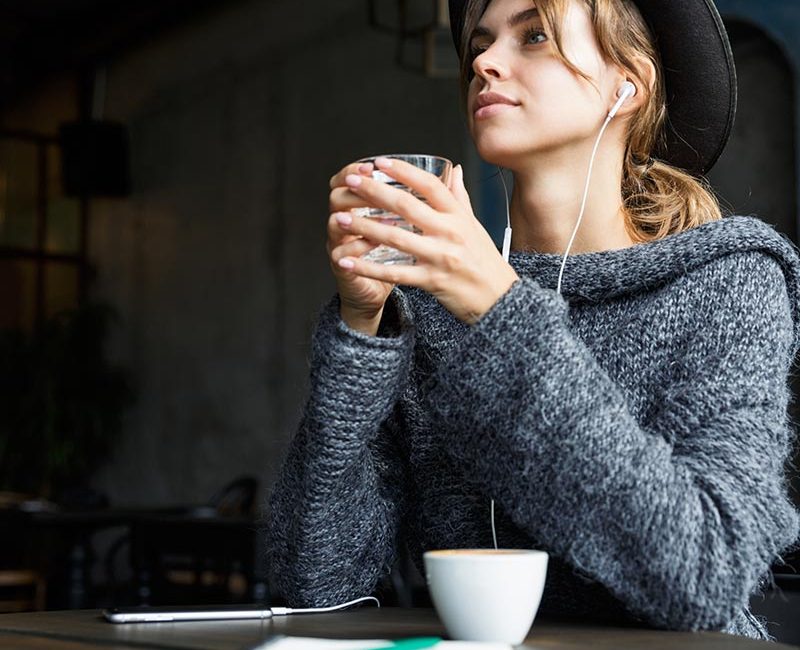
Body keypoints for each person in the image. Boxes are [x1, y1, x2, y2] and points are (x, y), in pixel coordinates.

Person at [266, 0, 800, 640]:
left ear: (628, 83)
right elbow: (314, 582)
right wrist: (362, 328)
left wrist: (497, 309)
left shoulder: (728, 282)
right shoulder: (429, 308)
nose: (484, 63)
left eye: (535, 36)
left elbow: (707, 574)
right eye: (481, 44)